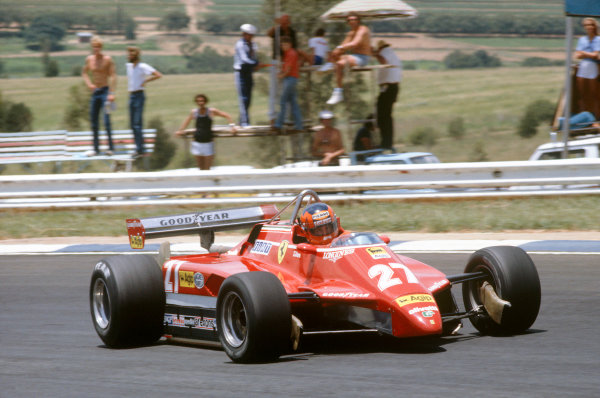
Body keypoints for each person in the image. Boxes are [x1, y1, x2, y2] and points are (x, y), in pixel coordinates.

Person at [175, 94, 237, 170]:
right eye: (198, 101)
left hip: (208, 142)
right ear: (196, 102)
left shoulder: (211, 111)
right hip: (197, 142)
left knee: (207, 169)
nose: (200, 103)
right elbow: (187, 122)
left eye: (202, 101)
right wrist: (180, 131)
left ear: (205, 102)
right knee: (200, 169)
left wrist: (232, 126)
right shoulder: (194, 112)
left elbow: (227, 116)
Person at [325, 12, 372, 105]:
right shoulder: (351, 33)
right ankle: (329, 65)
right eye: (350, 20)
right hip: (354, 57)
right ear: (347, 22)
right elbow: (343, 45)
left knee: (339, 64)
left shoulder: (363, 30)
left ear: (358, 21)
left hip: (363, 58)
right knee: (334, 56)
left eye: (354, 19)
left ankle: (338, 92)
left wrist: (339, 49)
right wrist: (334, 53)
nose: (352, 21)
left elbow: (354, 43)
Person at [82, 36, 116, 156]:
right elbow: (84, 72)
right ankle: (96, 149)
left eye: (98, 47)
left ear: (101, 47)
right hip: (95, 92)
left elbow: (113, 76)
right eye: (94, 47)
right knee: (94, 121)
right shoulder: (89, 59)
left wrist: (112, 93)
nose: (96, 49)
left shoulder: (107, 59)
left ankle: (111, 148)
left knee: (106, 121)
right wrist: (89, 84)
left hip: (105, 92)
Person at [126, 46, 162, 156]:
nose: (128, 56)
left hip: (139, 95)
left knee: (137, 123)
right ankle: (139, 146)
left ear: (135, 55)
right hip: (131, 95)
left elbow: (158, 75)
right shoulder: (129, 66)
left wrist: (146, 80)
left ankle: (140, 149)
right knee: (132, 124)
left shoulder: (142, 66)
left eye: (131, 55)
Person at [267, 14, 298, 125]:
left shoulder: (292, 32)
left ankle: (285, 118)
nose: (284, 24)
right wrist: (277, 25)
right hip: (276, 61)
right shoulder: (276, 30)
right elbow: (269, 33)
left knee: (286, 91)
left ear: (289, 22)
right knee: (274, 90)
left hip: (287, 63)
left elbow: (295, 48)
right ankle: (272, 116)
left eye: (286, 22)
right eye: (282, 22)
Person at [373, 40, 402, 149]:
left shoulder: (385, 53)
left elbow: (384, 62)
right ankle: (387, 142)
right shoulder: (392, 53)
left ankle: (386, 143)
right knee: (386, 115)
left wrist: (375, 54)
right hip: (392, 87)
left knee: (382, 115)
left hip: (387, 87)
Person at [273, 36, 303, 132]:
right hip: (291, 79)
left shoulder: (291, 53)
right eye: (282, 45)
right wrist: (281, 71)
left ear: (290, 44)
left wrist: (281, 76)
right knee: (293, 103)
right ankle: (299, 125)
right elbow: (286, 67)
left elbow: (288, 70)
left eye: (285, 44)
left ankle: (278, 124)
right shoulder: (288, 54)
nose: (283, 46)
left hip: (290, 79)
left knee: (283, 102)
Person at [234, 24, 260, 127]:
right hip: (241, 72)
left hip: (249, 72)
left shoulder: (253, 45)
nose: (249, 36)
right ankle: (245, 122)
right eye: (247, 34)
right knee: (242, 98)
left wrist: (256, 64)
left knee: (248, 98)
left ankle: (242, 120)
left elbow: (254, 57)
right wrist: (255, 63)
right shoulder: (240, 44)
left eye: (251, 35)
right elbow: (244, 59)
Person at [575, 18, 600, 118]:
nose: (588, 27)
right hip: (583, 68)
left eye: (590, 25)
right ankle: (584, 117)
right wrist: (590, 54)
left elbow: (596, 55)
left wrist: (584, 53)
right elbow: (577, 55)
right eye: (586, 25)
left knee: (594, 95)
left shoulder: (598, 39)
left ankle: (597, 117)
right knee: (582, 94)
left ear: (594, 26)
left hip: (593, 67)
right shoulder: (582, 40)